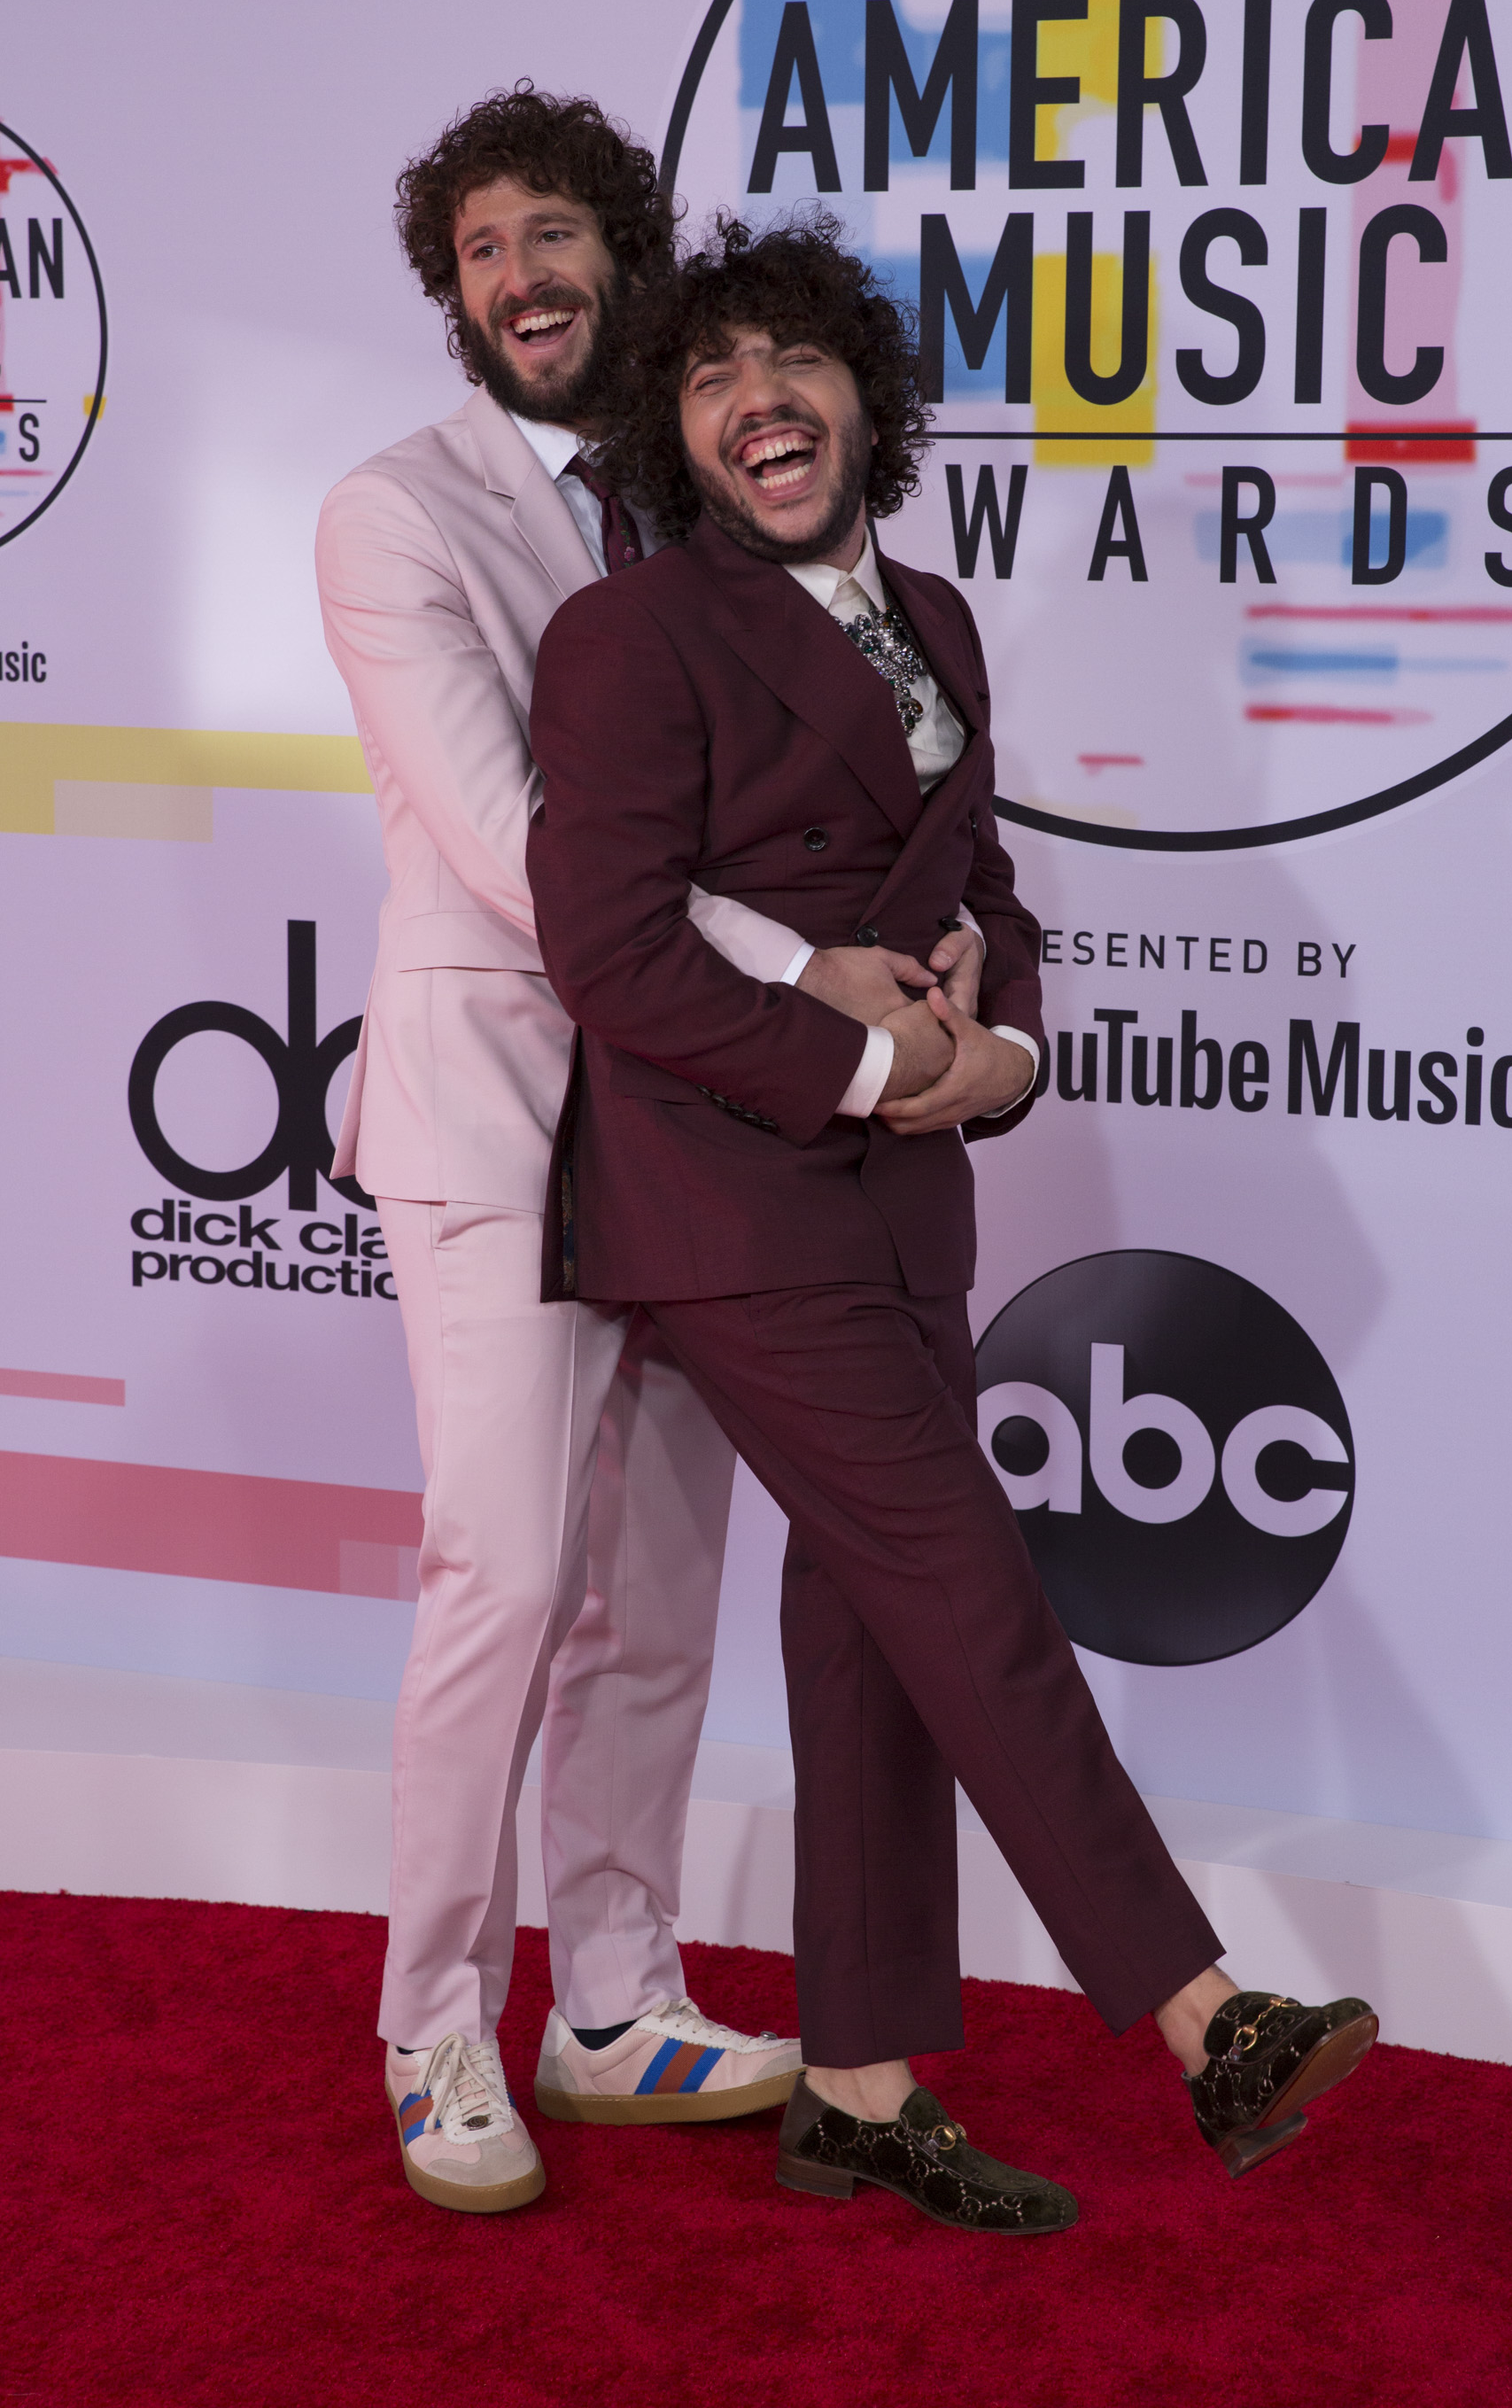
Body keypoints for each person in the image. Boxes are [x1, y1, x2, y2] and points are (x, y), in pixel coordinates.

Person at [524, 212, 1378, 2238]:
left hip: (908, 1195)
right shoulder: (630, 637)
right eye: (711, 376)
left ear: (863, 401)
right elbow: (610, 952)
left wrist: (999, 1054)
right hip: (729, 1195)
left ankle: (858, 2087)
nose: (756, 400)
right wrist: (856, 1069)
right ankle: (1204, 2016)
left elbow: (978, 884)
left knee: (875, 1638)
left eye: (792, 361)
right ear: (676, 435)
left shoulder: (937, 617)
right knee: (967, 1588)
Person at [316, 94, 981, 2214]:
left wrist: (890, 984)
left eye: (555, 233)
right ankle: (437, 2023)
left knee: (658, 1598)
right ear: (453, 297)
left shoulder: (699, 500)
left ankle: (609, 1995)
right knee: (504, 1576)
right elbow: (531, 855)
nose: (521, 276)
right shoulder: (394, 516)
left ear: (624, 252)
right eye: (479, 249)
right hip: (507, 1109)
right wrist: (820, 983)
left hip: (697, 1125)